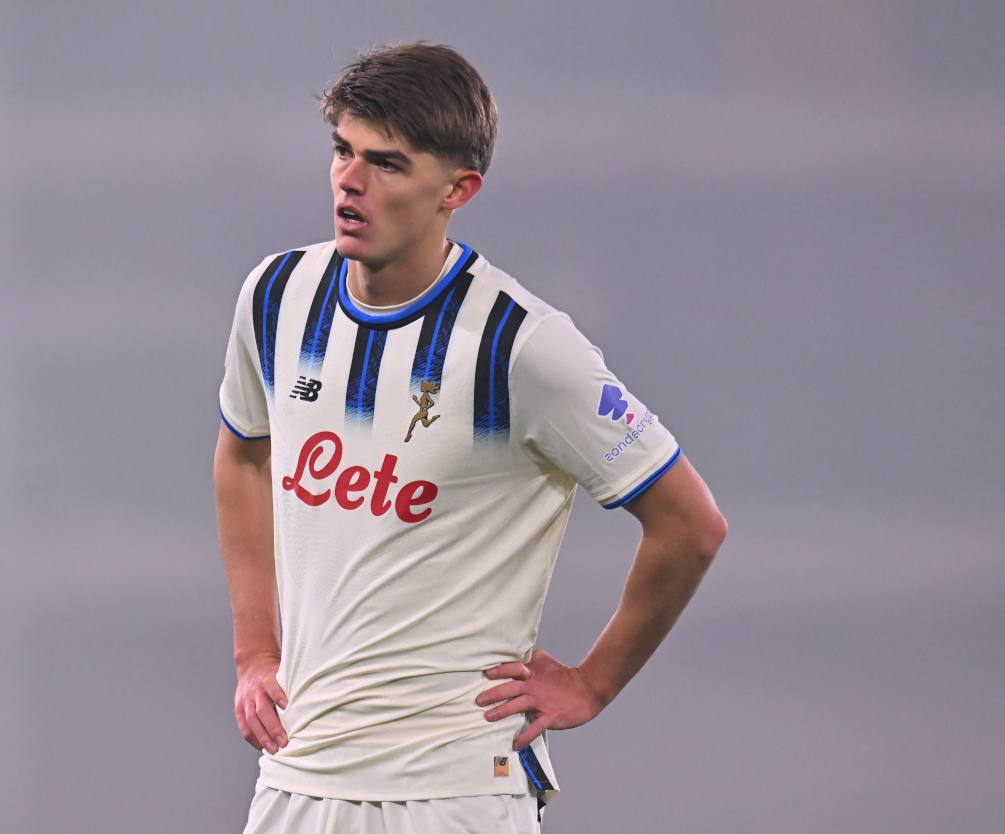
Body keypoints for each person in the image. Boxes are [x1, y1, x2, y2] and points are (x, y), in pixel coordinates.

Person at [215, 42, 727, 833]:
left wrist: (592, 682)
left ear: (459, 188)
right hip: (299, 776)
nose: (350, 180)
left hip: (455, 790)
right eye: (343, 151)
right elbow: (243, 457)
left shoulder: (525, 347)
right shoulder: (277, 297)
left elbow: (690, 525)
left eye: (387, 164)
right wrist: (256, 653)